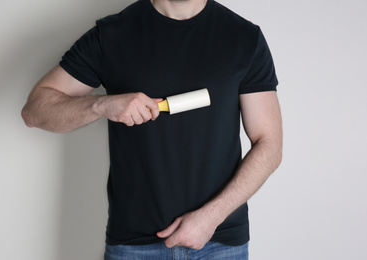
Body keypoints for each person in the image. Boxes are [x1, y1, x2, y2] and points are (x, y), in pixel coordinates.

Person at [22, 0, 283, 259]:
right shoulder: (113, 34)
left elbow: (269, 144)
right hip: (133, 246)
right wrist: (101, 104)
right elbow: (35, 111)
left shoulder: (244, 38)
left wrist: (210, 218)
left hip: (219, 243)